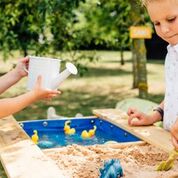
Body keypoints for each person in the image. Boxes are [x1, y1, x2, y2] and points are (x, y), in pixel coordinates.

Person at [127, 0, 178, 150]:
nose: (165, 30)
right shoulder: (172, 52)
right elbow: (173, 95)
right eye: (156, 23)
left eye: (171, 19)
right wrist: (154, 115)